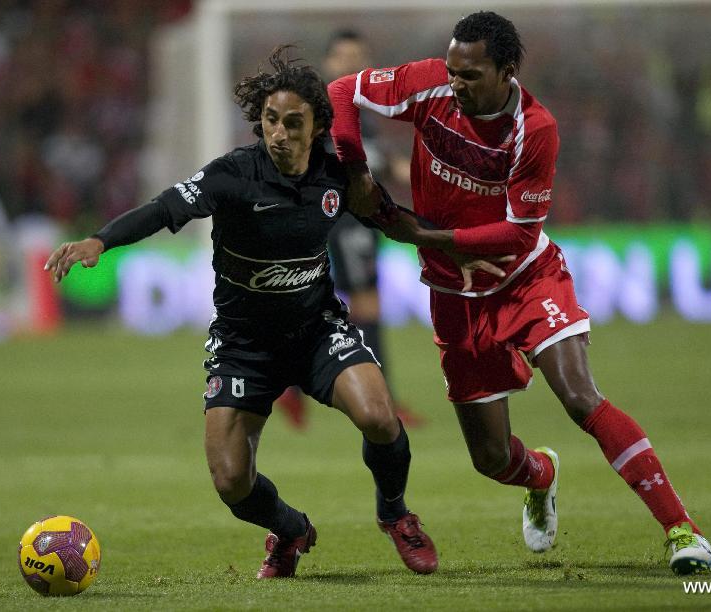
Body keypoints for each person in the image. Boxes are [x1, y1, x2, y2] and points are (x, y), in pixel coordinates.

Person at [328, 11, 711, 575]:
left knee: (581, 397)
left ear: (507, 71)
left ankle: (682, 529)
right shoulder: (430, 80)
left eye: (470, 75)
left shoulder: (535, 129)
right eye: (453, 70)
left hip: (525, 280)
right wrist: (356, 169)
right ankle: (541, 475)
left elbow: (518, 234)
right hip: (455, 298)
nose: (455, 83)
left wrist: (419, 233)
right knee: (490, 459)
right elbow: (342, 91)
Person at [44, 46, 438, 579]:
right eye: (270, 120)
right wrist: (100, 241)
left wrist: (453, 244)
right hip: (242, 344)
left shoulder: (337, 175)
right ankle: (291, 529)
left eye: (292, 123)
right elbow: (164, 208)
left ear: (317, 125)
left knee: (378, 416)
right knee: (231, 481)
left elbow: (389, 219)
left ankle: (395, 514)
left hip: (317, 331)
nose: (278, 133)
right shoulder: (233, 175)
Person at [274, 29, 424, 430]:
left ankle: (290, 386)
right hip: (342, 217)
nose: (352, 64)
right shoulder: (322, 110)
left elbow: (369, 159)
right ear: (328, 63)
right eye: (343, 57)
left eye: (359, 56)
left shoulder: (358, 110)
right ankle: (382, 402)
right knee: (366, 304)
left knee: (319, 302)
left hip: (354, 215)